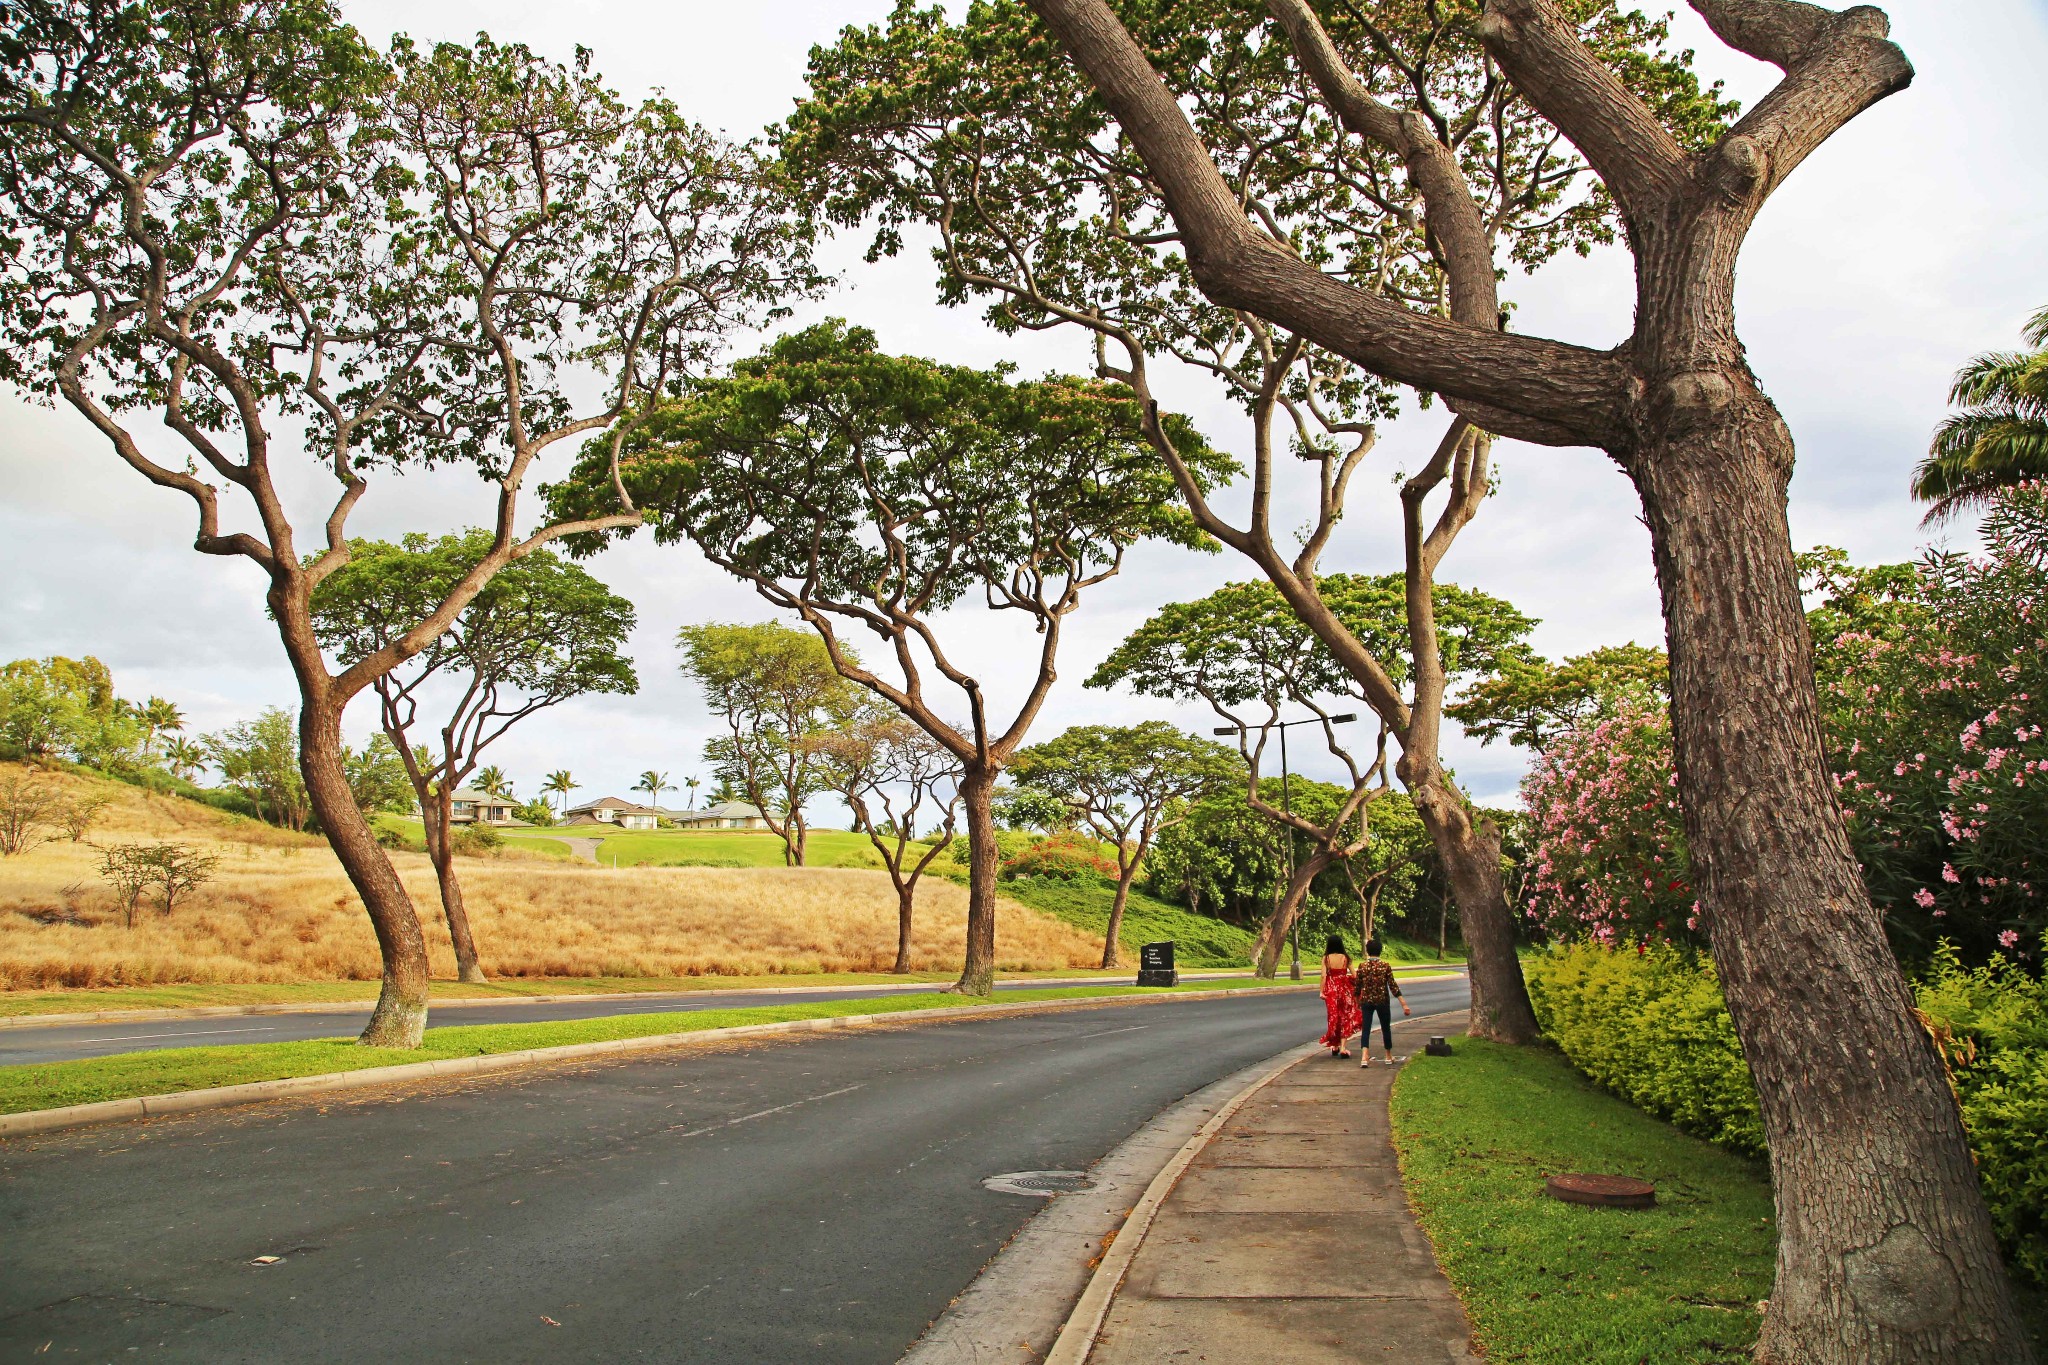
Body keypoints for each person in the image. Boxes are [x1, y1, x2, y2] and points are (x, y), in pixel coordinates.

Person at [1353, 937, 1410, 1067]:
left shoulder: (1362, 966)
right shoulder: (1385, 966)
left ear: (1367, 951)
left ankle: (1364, 1056)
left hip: (1366, 1001)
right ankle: (1388, 1055)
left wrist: (1357, 1002)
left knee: (1366, 1028)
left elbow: (1357, 987)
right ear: (1380, 951)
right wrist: (1404, 1004)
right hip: (1382, 1001)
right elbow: (1393, 986)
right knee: (1385, 1028)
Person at [1318, 934, 1361, 1058]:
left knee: (1333, 1017)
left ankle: (1334, 1045)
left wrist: (1321, 991)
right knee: (1346, 1016)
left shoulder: (1326, 958)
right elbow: (1354, 975)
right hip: (1345, 989)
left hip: (1331, 989)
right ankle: (1342, 1047)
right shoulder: (1346, 958)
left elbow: (1323, 976)